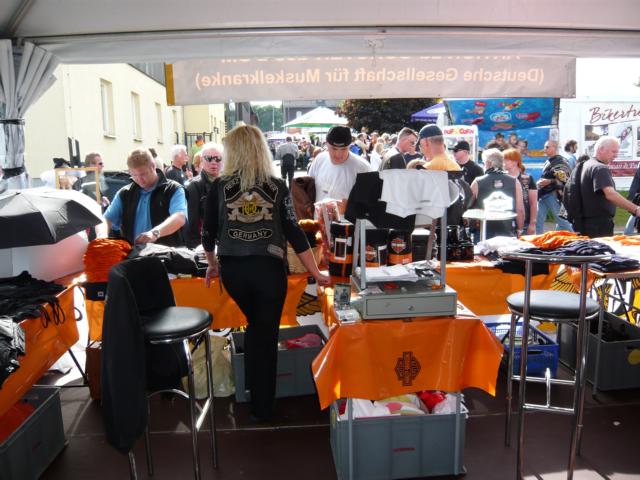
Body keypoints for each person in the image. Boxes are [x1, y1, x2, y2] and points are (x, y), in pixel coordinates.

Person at [201, 124, 330, 422]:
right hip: (268, 271)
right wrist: (315, 271)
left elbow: (207, 233)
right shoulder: (276, 186)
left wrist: (213, 264)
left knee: (256, 328)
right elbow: (295, 233)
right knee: (265, 334)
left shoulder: (219, 186)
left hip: (234, 271)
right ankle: (262, 406)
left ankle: (253, 393)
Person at [104, 148, 187, 246]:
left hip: (165, 253)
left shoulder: (173, 189)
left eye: (143, 174)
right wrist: (100, 236)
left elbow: (179, 217)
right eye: (134, 175)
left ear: (153, 166)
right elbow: (106, 219)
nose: (139, 179)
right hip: (134, 253)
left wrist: (155, 233)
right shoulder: (125, 193)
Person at [578, 136, 639, 238]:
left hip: (584, 222)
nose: (616, 155)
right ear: (601, 149)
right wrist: (636, 209)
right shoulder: (600, 168)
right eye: (613, 152)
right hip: (598, 225)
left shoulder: (586, 165)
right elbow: (611, 194)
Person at [308, 125, 372, 208]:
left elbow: (370, 203)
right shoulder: (319, 159)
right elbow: (308, 189)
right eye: (334, 149)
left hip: (347, 217)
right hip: (318, 216)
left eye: (344, 149)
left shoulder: (363, 168)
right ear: (326, 144)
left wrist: (349, 208)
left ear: (350, 146)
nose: (338, 154)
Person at [470, 148, 525, 239]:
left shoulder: (477, 182)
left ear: (489, 163)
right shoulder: (514, 182)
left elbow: (468, 206)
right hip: (507, 230)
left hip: (483, 231)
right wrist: (520, 229)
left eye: (484, 163)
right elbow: (520, 209)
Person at [184, 143, 223, 248]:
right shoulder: (194, 186)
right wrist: (199, 247)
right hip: (203, 246)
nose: (213, 162)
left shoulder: (228, 184)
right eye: (209, 158)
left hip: (224, 244)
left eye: (218, 159)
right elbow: (192, 223)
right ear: (202, 160)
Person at [535, 140, 573, 233]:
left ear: (555, 148)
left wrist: (550, 181)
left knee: (562, 222)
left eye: (547, 147)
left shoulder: (561, 161)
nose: (545, 149)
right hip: (543, 194)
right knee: (537, 220)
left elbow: (567, 179)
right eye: (545, 147)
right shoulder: (548, 161)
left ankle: (576, 239)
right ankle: (537, 240)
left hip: (553, 195)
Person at [503, 148, 537, 234]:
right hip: (505, 223)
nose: (503, 163)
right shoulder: (502, 179)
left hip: (525, 223)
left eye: (505, 160)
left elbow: (533, 203)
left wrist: (532, 224)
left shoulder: (527, 179)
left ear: (515, 162)